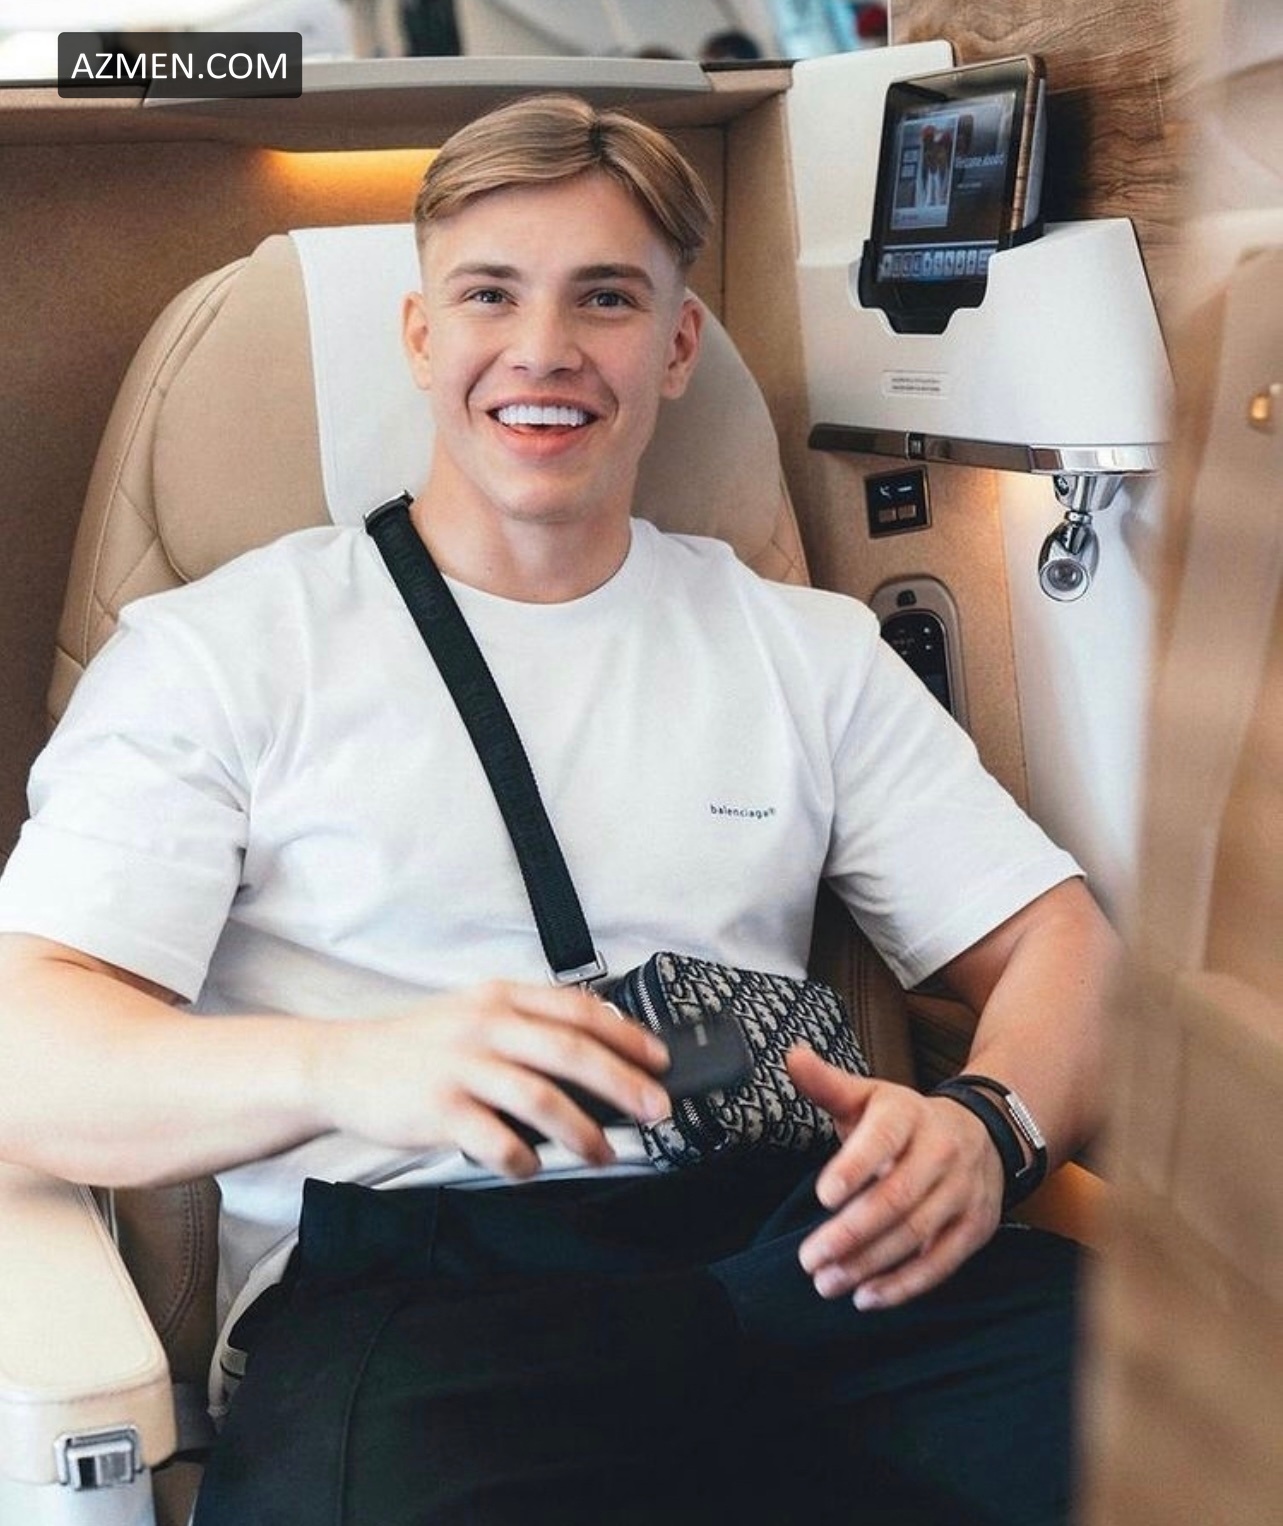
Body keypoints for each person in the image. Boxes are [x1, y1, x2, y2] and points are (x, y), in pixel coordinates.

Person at [0, 94, 1115, 1525]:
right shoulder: (221, 654)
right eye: (490, 294)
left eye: (605, 298)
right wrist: (347, 1069)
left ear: (677, 346)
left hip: (803, 1244)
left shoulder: (806, 648)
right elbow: (29, 1047)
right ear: (420, 337)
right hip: (418, 1291)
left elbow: (1062, 945)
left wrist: (990, 1127)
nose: (543, 349)